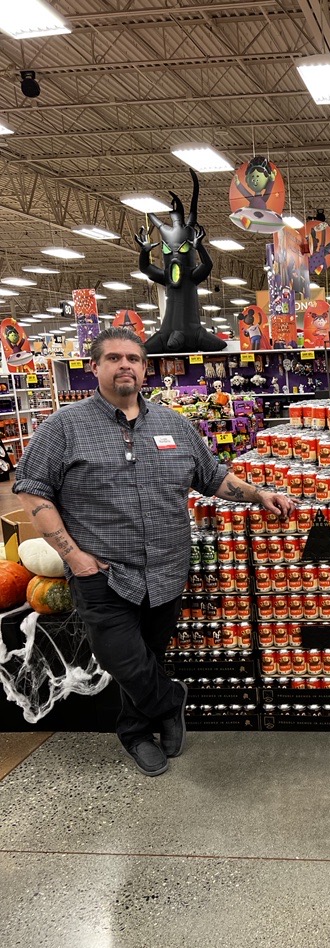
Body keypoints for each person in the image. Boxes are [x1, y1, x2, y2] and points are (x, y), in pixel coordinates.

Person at [13, 327, 295, 777]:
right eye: (114, 358)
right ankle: (172, 701)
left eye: (133, 359)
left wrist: (258, 494)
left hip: (166, 568)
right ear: (95, 367)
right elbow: (31, 490)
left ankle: (138, 733)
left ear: (146, 368)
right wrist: (74, 556)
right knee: (119, 657)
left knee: (146, 659)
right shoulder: (64, 427)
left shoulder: (174, 425)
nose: (125, 365)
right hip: (100, 572)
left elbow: (213, 477)